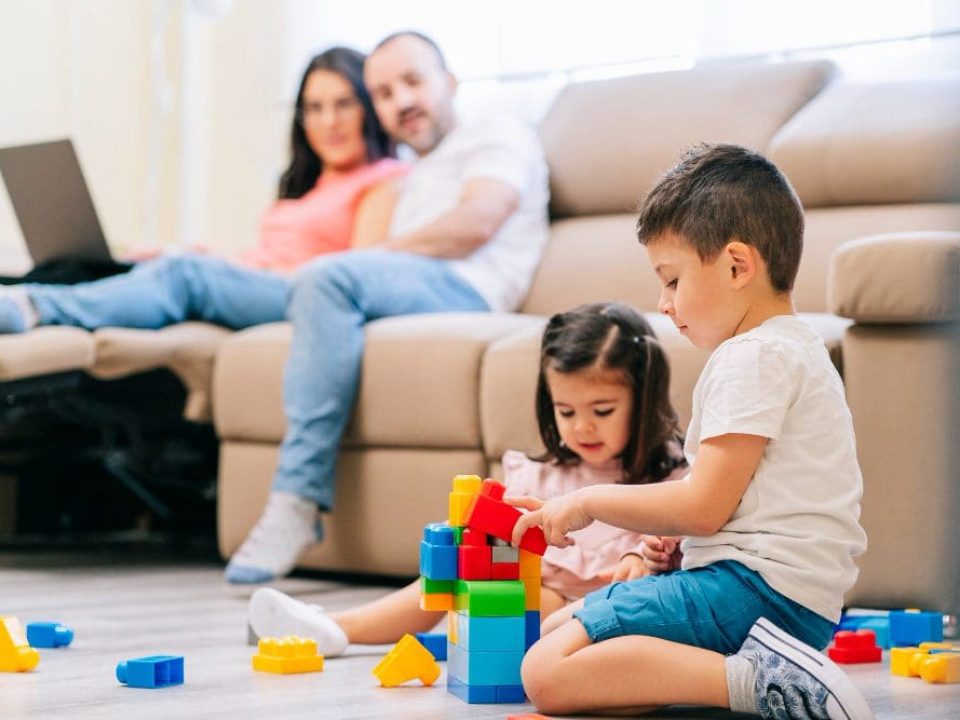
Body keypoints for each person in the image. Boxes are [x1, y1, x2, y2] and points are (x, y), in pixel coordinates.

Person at [508, 144, 873, 719]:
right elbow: (739, 504)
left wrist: (586, 502)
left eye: (673, 279)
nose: (664, 302)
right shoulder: (792, 348)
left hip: (756, 595)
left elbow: (702, 507)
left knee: (545, 671)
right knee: (562, 630)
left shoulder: (751, 358)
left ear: (736, 265)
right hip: (785, 599)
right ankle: (756, 679)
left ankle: (764, 683)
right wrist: (680, 545)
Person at [223, 31, 550, 584]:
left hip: (463, 289)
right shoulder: (417, 168)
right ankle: (49, 304)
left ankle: (297, 499)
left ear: (448, 82)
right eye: (382, 92)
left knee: (327, 277)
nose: (400, 101)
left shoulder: (495, 133)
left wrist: (367, 259)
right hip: (408, 290)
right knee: (231, 281)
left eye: (413, 82)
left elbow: (477, 222)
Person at [245, 302, 687, 656]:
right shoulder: (540, 473)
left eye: (602, 411)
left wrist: (647, 559)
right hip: (542, 594)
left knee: (525, 610)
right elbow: (494, 538)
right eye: (565, 411)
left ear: (644, 399)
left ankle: (337, 629)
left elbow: (681, 547)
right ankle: (336, 628)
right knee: (454, 577)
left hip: (607, 614)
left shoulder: (673, 478)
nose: (582, 428)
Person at [0, 46, 405, 333]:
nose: (328, 121)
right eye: (314, 108)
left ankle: (33, 307)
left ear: (368, 107)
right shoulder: (309, 186)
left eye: (343, 104)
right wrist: (217, 259)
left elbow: (354, 276)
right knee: (104, 265)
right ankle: (19, 294)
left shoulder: (384, 178)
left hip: (302, 296)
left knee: (185, 275)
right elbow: (265, 257)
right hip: (257, 283)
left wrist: (229, 271)